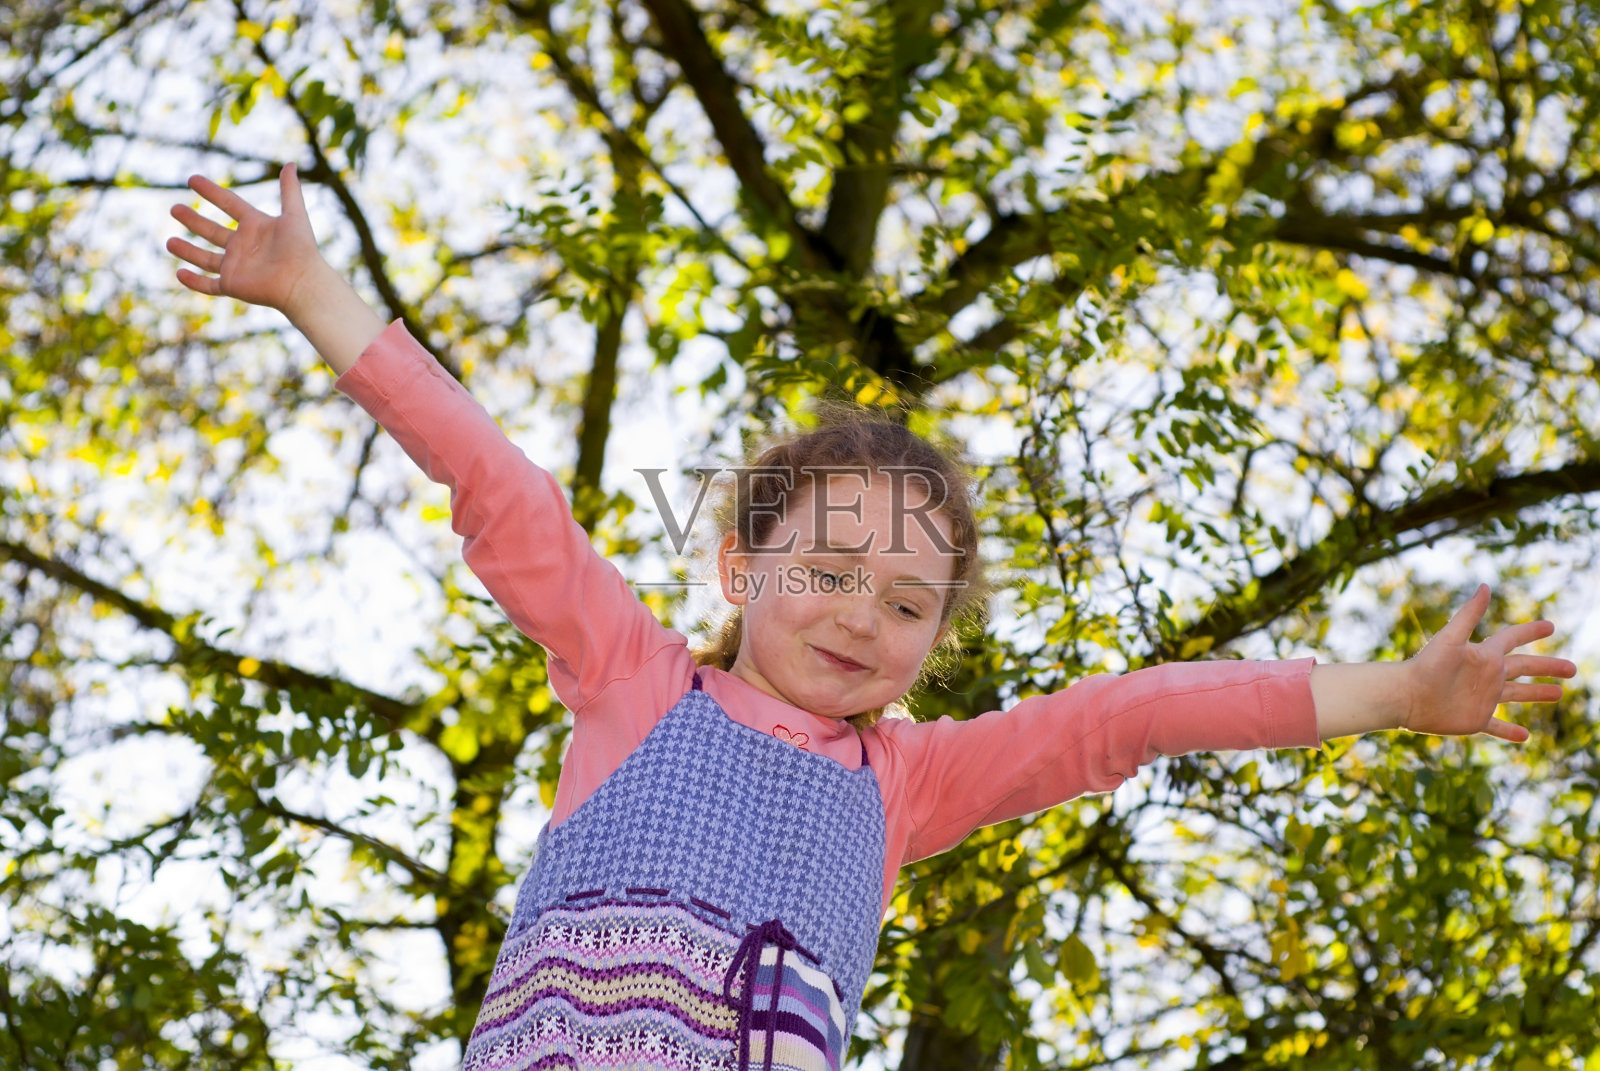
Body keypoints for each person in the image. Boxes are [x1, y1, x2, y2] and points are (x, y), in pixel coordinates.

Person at [168, 165, 1576, 1071]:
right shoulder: (633, 682)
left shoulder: (906, 783)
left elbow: (1131, 717)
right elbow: (498, 487)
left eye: (907, 602)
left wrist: (1399, 691)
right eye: (830, 571)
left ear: (934, 642)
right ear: (739, 570)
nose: (859, 616)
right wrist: (313, 291)